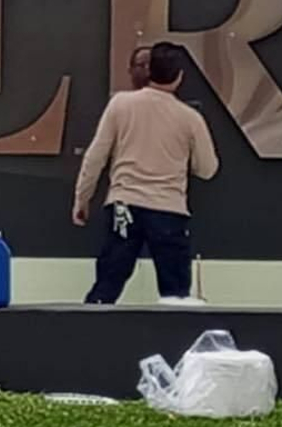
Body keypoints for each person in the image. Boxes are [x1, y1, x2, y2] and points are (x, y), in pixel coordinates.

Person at [73, 41, 220, 304]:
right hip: (169, 210)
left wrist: (82, 199)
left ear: (149, 70)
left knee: (108, 283)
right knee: (175, 293)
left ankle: (89, 337)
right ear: (179, 77)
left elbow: (95, 157)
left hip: (124, 204)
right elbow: (208, 169)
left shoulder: (120, 104)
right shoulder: (190, 118)